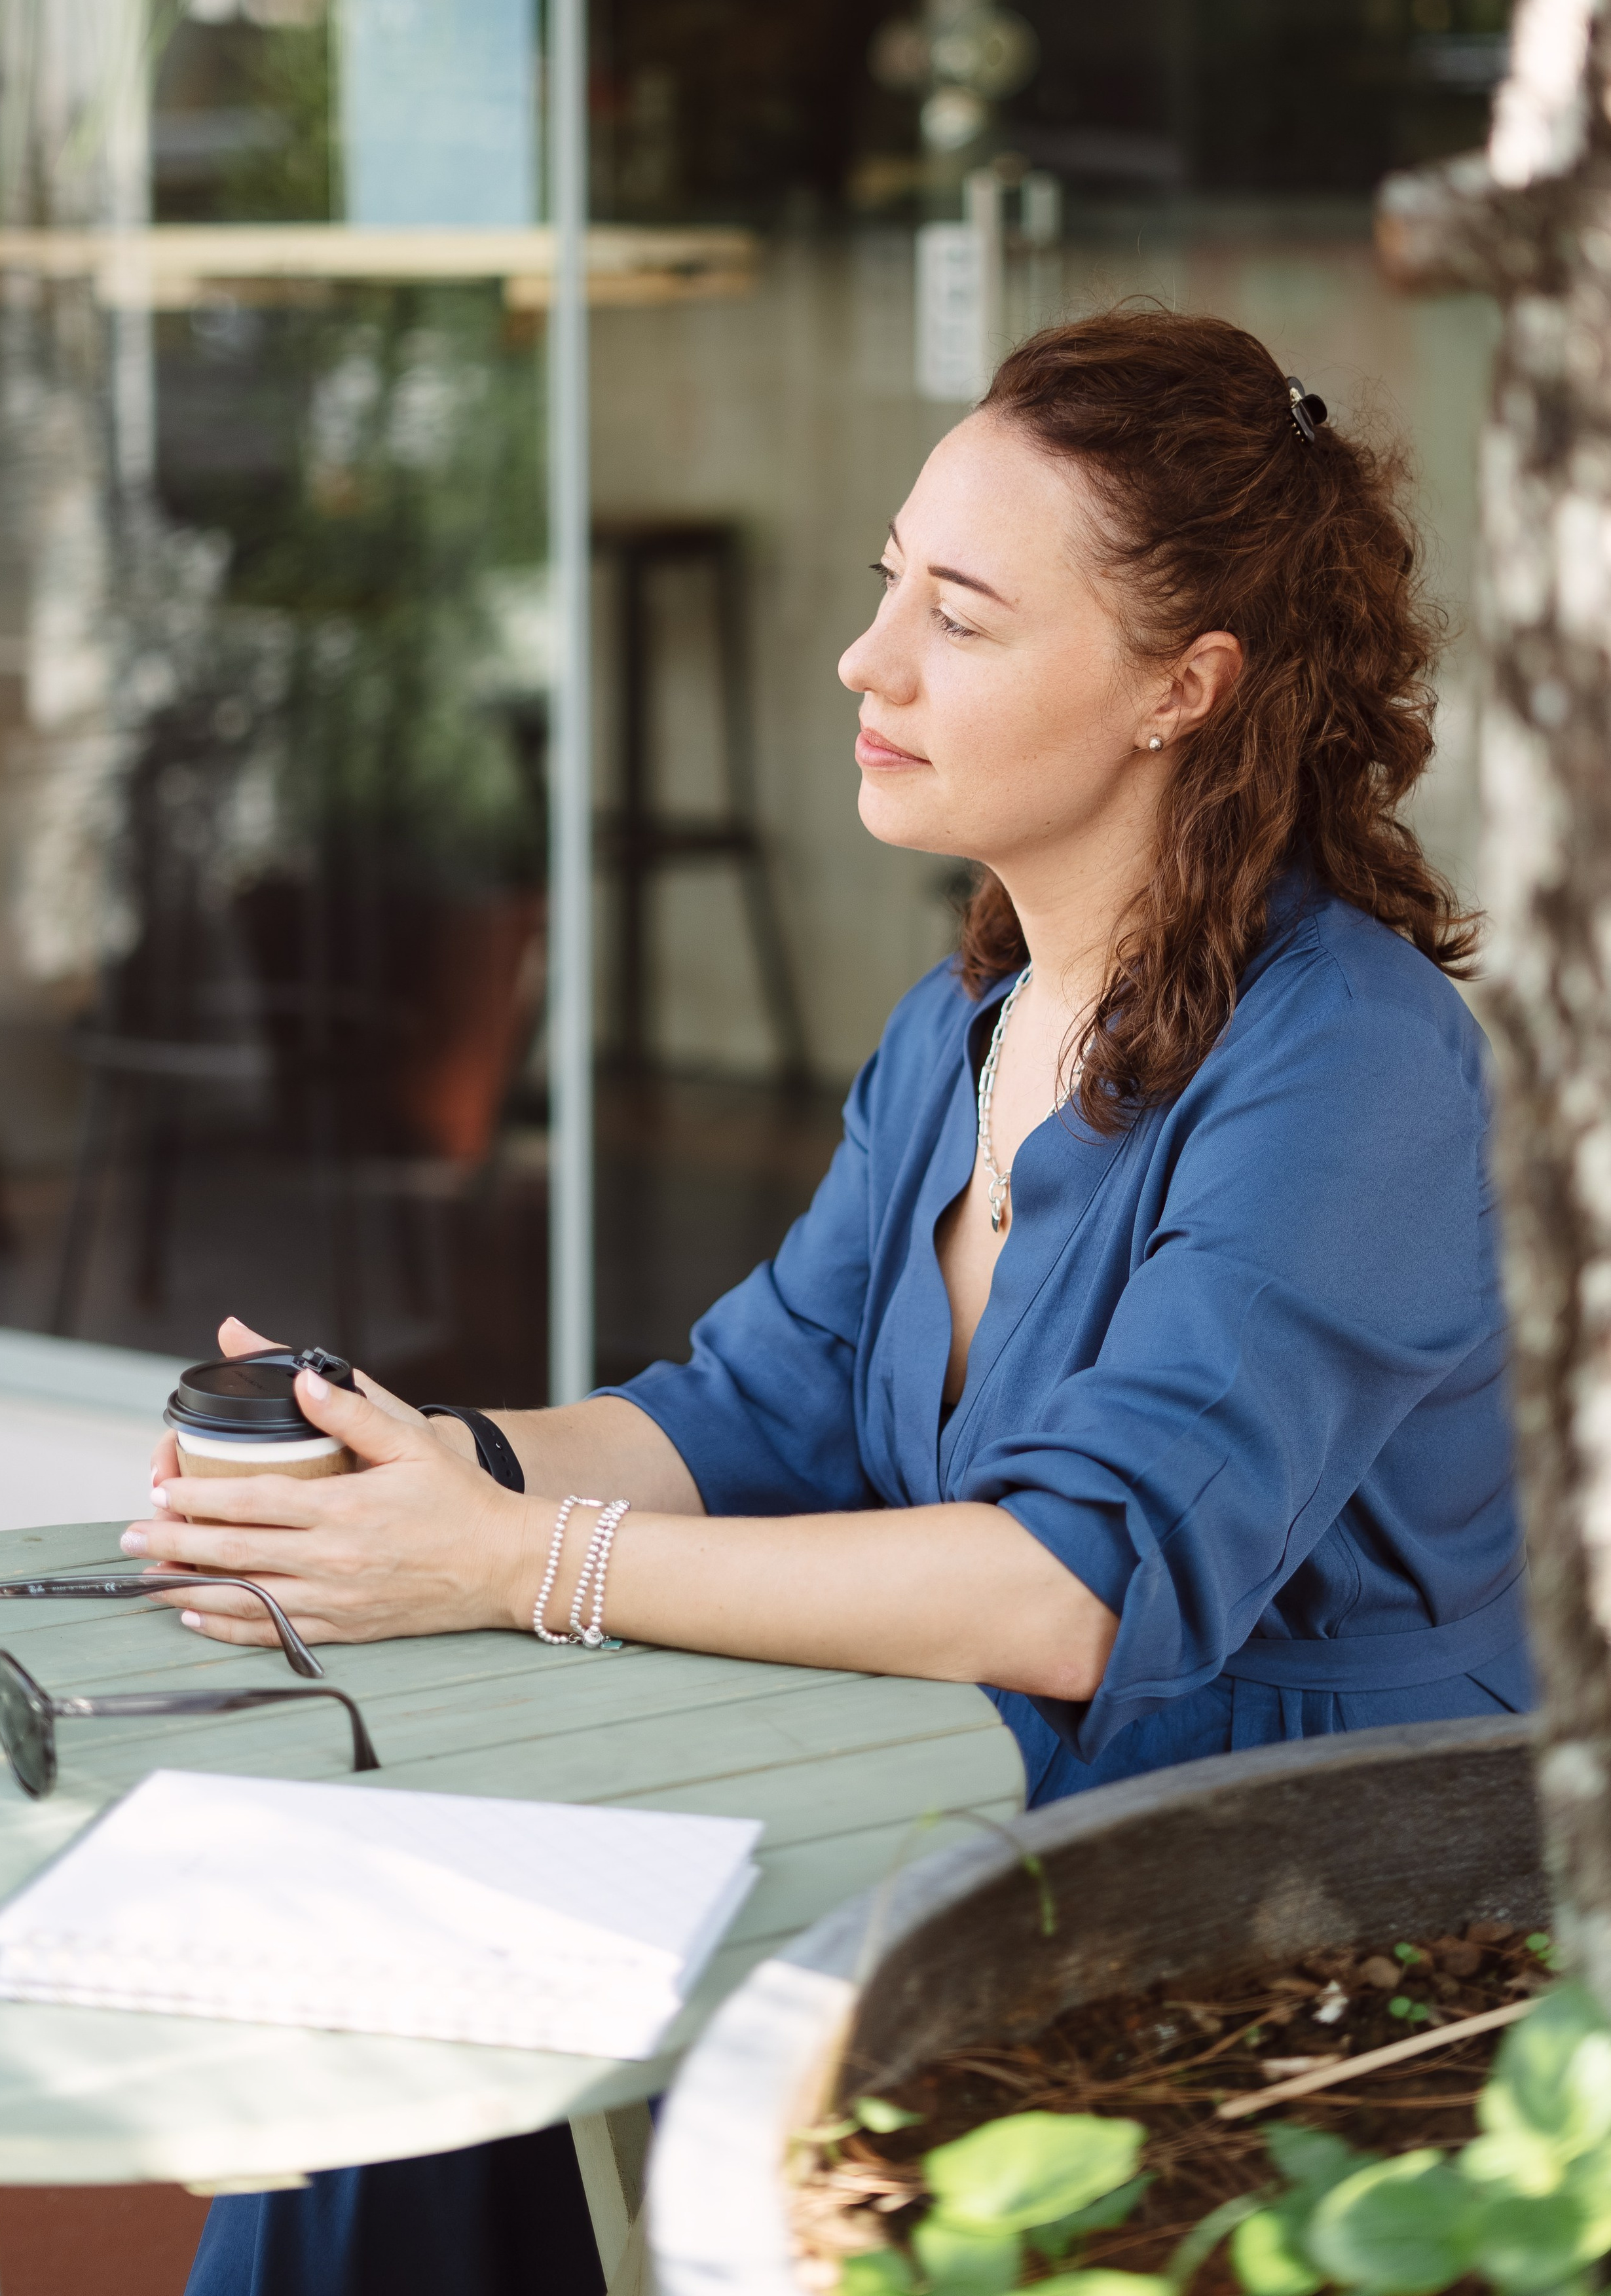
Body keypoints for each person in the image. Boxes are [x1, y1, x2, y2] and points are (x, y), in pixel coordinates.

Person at [146, 308, 1529, 2295]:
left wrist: (521, 1563)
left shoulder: (1354, 1068)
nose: (865, 661)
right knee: (423, 2003)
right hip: (982, 1797)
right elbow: (744, 1412)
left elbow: (1077, 1585)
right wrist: (387, 1469)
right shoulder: (961, 1030)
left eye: (960, 618)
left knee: (495, 1956)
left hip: (1292, 1902)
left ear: (1182, 690)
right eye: (891, 583)